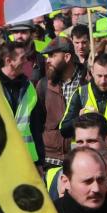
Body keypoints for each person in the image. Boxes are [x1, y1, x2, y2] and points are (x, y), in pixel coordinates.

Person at [38, 38, 82, 167]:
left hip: (79, 158)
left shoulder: (87, 81)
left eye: (52, 55)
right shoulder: (44, 84)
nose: (48, 60)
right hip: (50, 160)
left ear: (67, 57)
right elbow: (38, 122)